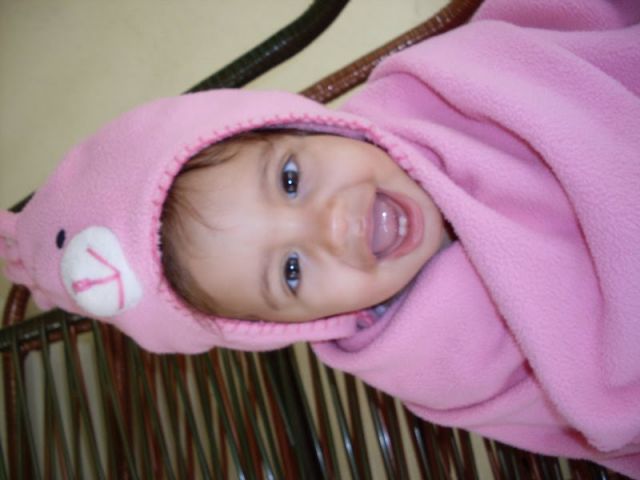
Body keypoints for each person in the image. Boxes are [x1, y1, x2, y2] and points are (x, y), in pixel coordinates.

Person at [0, 0, 638, 476]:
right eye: (292, 272)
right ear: (304, 324)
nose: (332, 226)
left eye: (290, 179)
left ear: (303, 126)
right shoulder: (431, 356)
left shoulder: (440, 92)